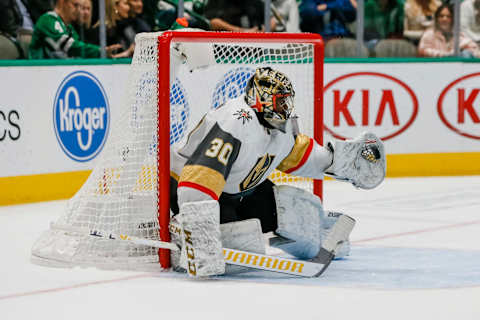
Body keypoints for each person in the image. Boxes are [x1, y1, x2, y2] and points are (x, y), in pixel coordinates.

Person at [168, 66, 386, 277]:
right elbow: (199, 177)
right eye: (280, 102)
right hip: (190, 190)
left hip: (237, 188)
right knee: (241, 246)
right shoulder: (235, 121)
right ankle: (181, 244)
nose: (285, 107)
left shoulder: (277, 125)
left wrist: (339, 161)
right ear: (260, 99)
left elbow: (298, 155)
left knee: (292, 209)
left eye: (286, 101)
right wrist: (199, 230)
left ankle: (319, 232)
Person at [28, 0, 123, 58]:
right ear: (62, 2)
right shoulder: (48, 20)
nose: (78, 10)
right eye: (75, 5)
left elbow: (79, 52)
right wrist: (100, 51)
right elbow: (71, 47)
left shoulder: (69, 27)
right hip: (40, 76)